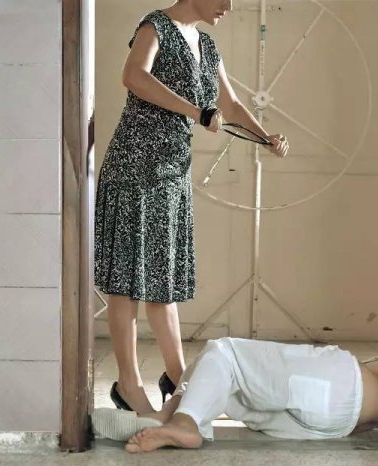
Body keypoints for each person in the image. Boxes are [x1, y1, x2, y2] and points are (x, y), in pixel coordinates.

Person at [93, 1, 290, 415]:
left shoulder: (207, 45)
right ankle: (129, 384)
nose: (228, 7)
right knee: (126, 281)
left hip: (172, 172)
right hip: (134, 166)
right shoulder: (155, 26)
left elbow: (230, 105)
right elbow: (133, 76)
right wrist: (196, 112)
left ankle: (179, 378)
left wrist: (266, 137)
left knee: (162, 280)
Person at [91, 338, 378, 453]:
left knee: (225, 353)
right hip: (337, 425)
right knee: (225, 385)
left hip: (343, 384)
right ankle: (171, 416)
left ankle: (183, 421)